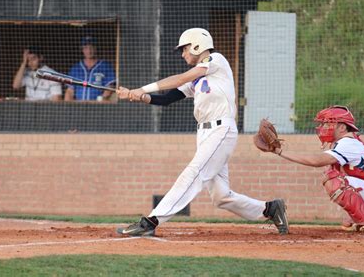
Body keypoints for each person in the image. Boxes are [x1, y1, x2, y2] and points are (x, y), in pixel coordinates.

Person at [115, 28, 289, 236]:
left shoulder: (216, 60)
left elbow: (181, 78)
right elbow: (167, 99)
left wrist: (144, 88)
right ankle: (270, 208)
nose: (183, 54)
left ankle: (151, 221)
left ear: (197, 45)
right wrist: (137, 96)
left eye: (185, 48)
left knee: (193, 173)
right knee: (221, 196)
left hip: (221, 130)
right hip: (205, 134)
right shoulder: (196, 81)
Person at [268, 105, 364, 232]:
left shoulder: (349, 143)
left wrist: (280, 151)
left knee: (333, 178)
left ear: (342, 127)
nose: (323, 127)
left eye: (328, 123)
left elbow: (316, 161)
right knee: (334, 173)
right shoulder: (347, 143)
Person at [64, 36, 116, 101]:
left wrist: (101, 100)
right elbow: (69, 91)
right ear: (82, 49)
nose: (89, 51)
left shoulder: (105, 66)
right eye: (85, 48)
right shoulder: (76, 68)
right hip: (78, 106)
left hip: (99, 106)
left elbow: (109, 87)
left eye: (91, 48)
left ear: (96, 48)